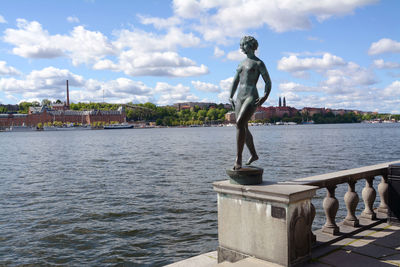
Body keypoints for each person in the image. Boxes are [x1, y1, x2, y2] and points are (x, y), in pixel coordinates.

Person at [229, 36, 271, 170]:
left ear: (251, 45)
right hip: (239, 97)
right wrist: (230, 95)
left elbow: (268, 82)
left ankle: (238, 158)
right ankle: (253, 154)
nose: (241, 47)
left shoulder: (259, 63)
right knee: (244, 127)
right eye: (241, 45)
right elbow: (235, 81)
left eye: (243, 45)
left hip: (251, 96)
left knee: (240, 123)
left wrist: (265, 96)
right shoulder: (241, 64)